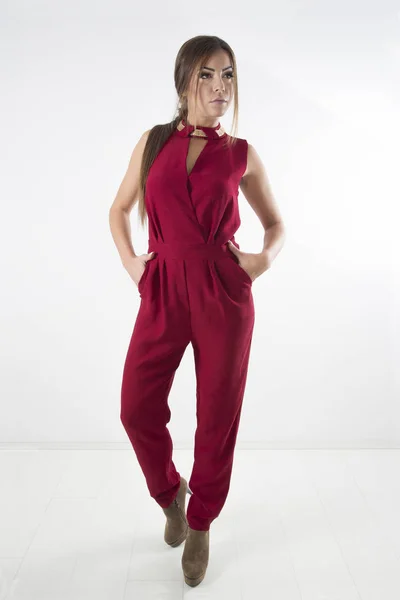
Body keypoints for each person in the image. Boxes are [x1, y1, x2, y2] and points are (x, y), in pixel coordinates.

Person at [109, 34, 285, 587]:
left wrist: (260, 262)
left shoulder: (241, 154)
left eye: (228, 75)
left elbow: (277, 225)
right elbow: (119, 209)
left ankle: (202, 521)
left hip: (221, 289)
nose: (220, 87)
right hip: (162, 284)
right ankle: (171, 496)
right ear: (185, 80)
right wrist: (132, 263)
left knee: (216, 414)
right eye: (207, 75)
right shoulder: (153, 142)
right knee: (136, 405)